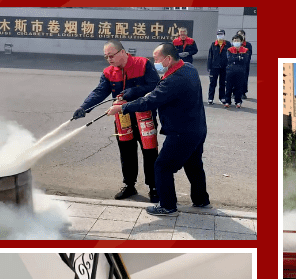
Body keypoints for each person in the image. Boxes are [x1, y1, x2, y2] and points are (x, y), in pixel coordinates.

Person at [107, 43, 210, 215]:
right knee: (194, 165)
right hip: (197, 129)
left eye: (156, 59)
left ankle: (168, 205)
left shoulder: (174, 80)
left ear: (168, 59)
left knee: (162, 167)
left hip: (181, 133)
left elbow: (150, 101)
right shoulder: (189, 69)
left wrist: (122, 108)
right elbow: (160, 94)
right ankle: (201, 200)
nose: (154, 62)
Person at [73, 40, 159, 202]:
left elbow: (155, 86)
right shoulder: (108, 72)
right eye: (106, 57)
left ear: (122, 52)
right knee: (126, 152)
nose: (109, 59)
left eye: (111, 56)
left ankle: (154, 187)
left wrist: (133, 91)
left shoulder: (143, 64)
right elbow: (99, 92)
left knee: (149, 152)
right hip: (122, 117)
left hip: (144, 115)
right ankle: (129, 185)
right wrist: (84, 107)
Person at [224, 35, 250, 108]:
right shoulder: (229, 50)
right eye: (235, 40)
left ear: (241, 42)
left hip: (241, 71)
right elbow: (230, 59)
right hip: (230, 71)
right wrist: (239, 57)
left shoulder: (245, 50)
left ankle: (238, 102)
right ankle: (227, 101)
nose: (236, 42)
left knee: (239, 87)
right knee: (228, 87)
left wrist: (236, 58)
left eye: (238, 41)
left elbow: (245, 60)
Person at [207, 29, 229, 105]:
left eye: (221, 34)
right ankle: (210, 98)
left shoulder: (228, 44)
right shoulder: (213, 44)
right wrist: (209, 67)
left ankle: (222, 97)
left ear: (224, 35)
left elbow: (230, 56)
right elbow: (210, 56)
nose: (220, 36)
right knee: (212, 83)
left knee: (223, 83)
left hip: (224, 67)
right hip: (214, 67)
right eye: (218, 34)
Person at [237, 29, 253, 99]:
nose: (240, 36)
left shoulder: (248, 45)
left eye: (242, 34)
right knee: (235, 78)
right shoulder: (235, 44)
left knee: (244, 79)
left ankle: (243, 93)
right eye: (239, 34)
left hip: (244, 65)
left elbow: (249, 55)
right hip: (236, 65)